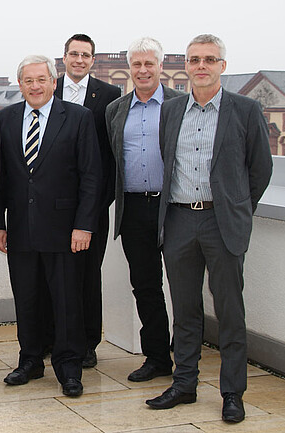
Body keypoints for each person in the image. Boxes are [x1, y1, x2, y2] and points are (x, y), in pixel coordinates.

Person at [145, 34, 272, 424]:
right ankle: (184, 384)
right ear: (186, 65)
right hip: (180, 220)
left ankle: (232, 393)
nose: (202, 66)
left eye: (210, 60)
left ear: (222, 66)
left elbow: (260, 170)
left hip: (222, 223)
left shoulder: (246, 110)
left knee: (230, 311)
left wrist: (237, 209)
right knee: (184, 310)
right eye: (195, 59)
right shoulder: (172, 110)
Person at [0, 55, 101, 397]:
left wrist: (84, 225)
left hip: (66, 230)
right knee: (27, 298)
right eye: (28, 80)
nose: (35, 86)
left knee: (66, 301)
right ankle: (30, 360)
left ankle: (69, 368)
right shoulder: (5, 119)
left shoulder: (79, 118)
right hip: (21, 228)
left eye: (42, 79)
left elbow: (92, 176)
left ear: (54, 82)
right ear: (20, 84)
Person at [105, 37, 181, 382]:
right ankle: (156, 358)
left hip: (176, 207)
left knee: (183, 284)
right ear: (129, 69)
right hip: (135, 209)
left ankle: (186, 355)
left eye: (149, 63)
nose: (143, 70)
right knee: (146, 285)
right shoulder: (116, 110)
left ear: (161, 67)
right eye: (137, 64)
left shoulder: (181, 105)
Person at [54, 34, 121, 368]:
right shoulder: (47, 90)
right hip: (54, 205)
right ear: (63, 58)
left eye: (86, 55)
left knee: (87, 276)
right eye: (74, 54)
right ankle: (56, 339)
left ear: (93, 60)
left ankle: (87, 343)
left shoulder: (109, 96)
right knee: (55, 274)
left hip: (92, 205)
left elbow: (111, 157)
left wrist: (98, 204)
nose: (79, 60)